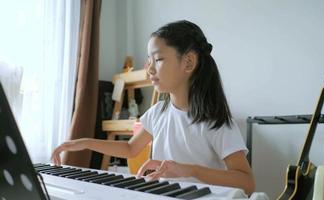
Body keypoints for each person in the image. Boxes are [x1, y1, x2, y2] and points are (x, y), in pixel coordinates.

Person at [51, 20, 255, 195]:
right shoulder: (159, 111)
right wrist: (85, 142)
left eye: (157, 59)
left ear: (188, 62)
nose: (149, 69)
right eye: (149, 60)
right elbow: (130, 148)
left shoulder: (214, 120)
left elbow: (247, 183)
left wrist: (190, 170)